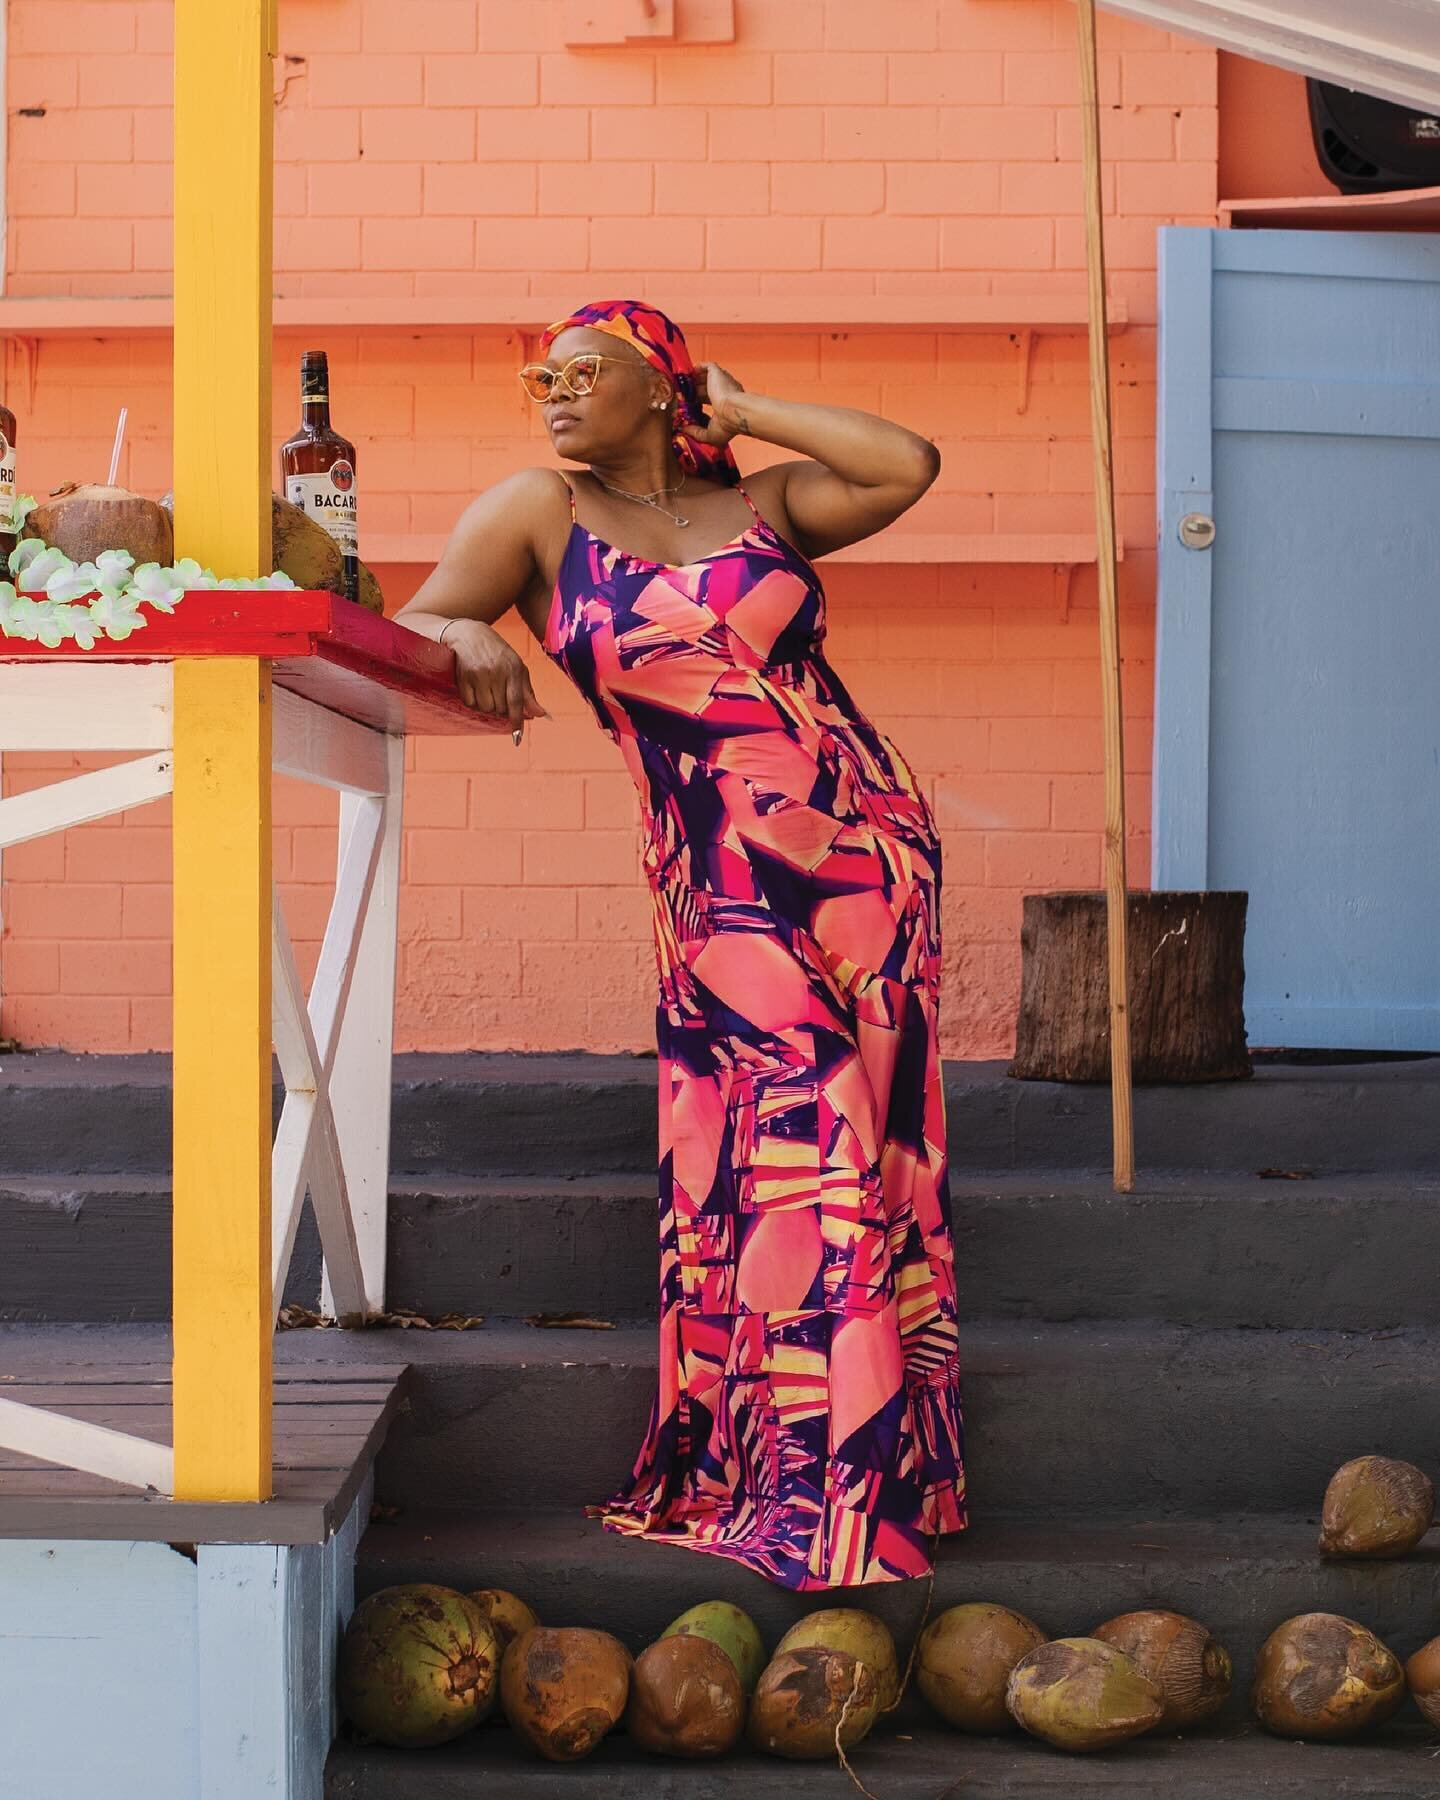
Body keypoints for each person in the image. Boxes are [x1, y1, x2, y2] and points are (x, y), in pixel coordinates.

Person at [395, 298, 967, 1589]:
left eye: (582, 372)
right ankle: (819, 1489)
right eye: (539, 373)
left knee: (871, 1160)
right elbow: (422, 621)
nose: (551, 392)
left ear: (658, 386)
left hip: (868, 853)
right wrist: (476, 628)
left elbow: (907, 464)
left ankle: (871, 1471)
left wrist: (744, 404)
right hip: (720, 884)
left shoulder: (767, 506)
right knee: (790, 1163)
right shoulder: (538, 511)